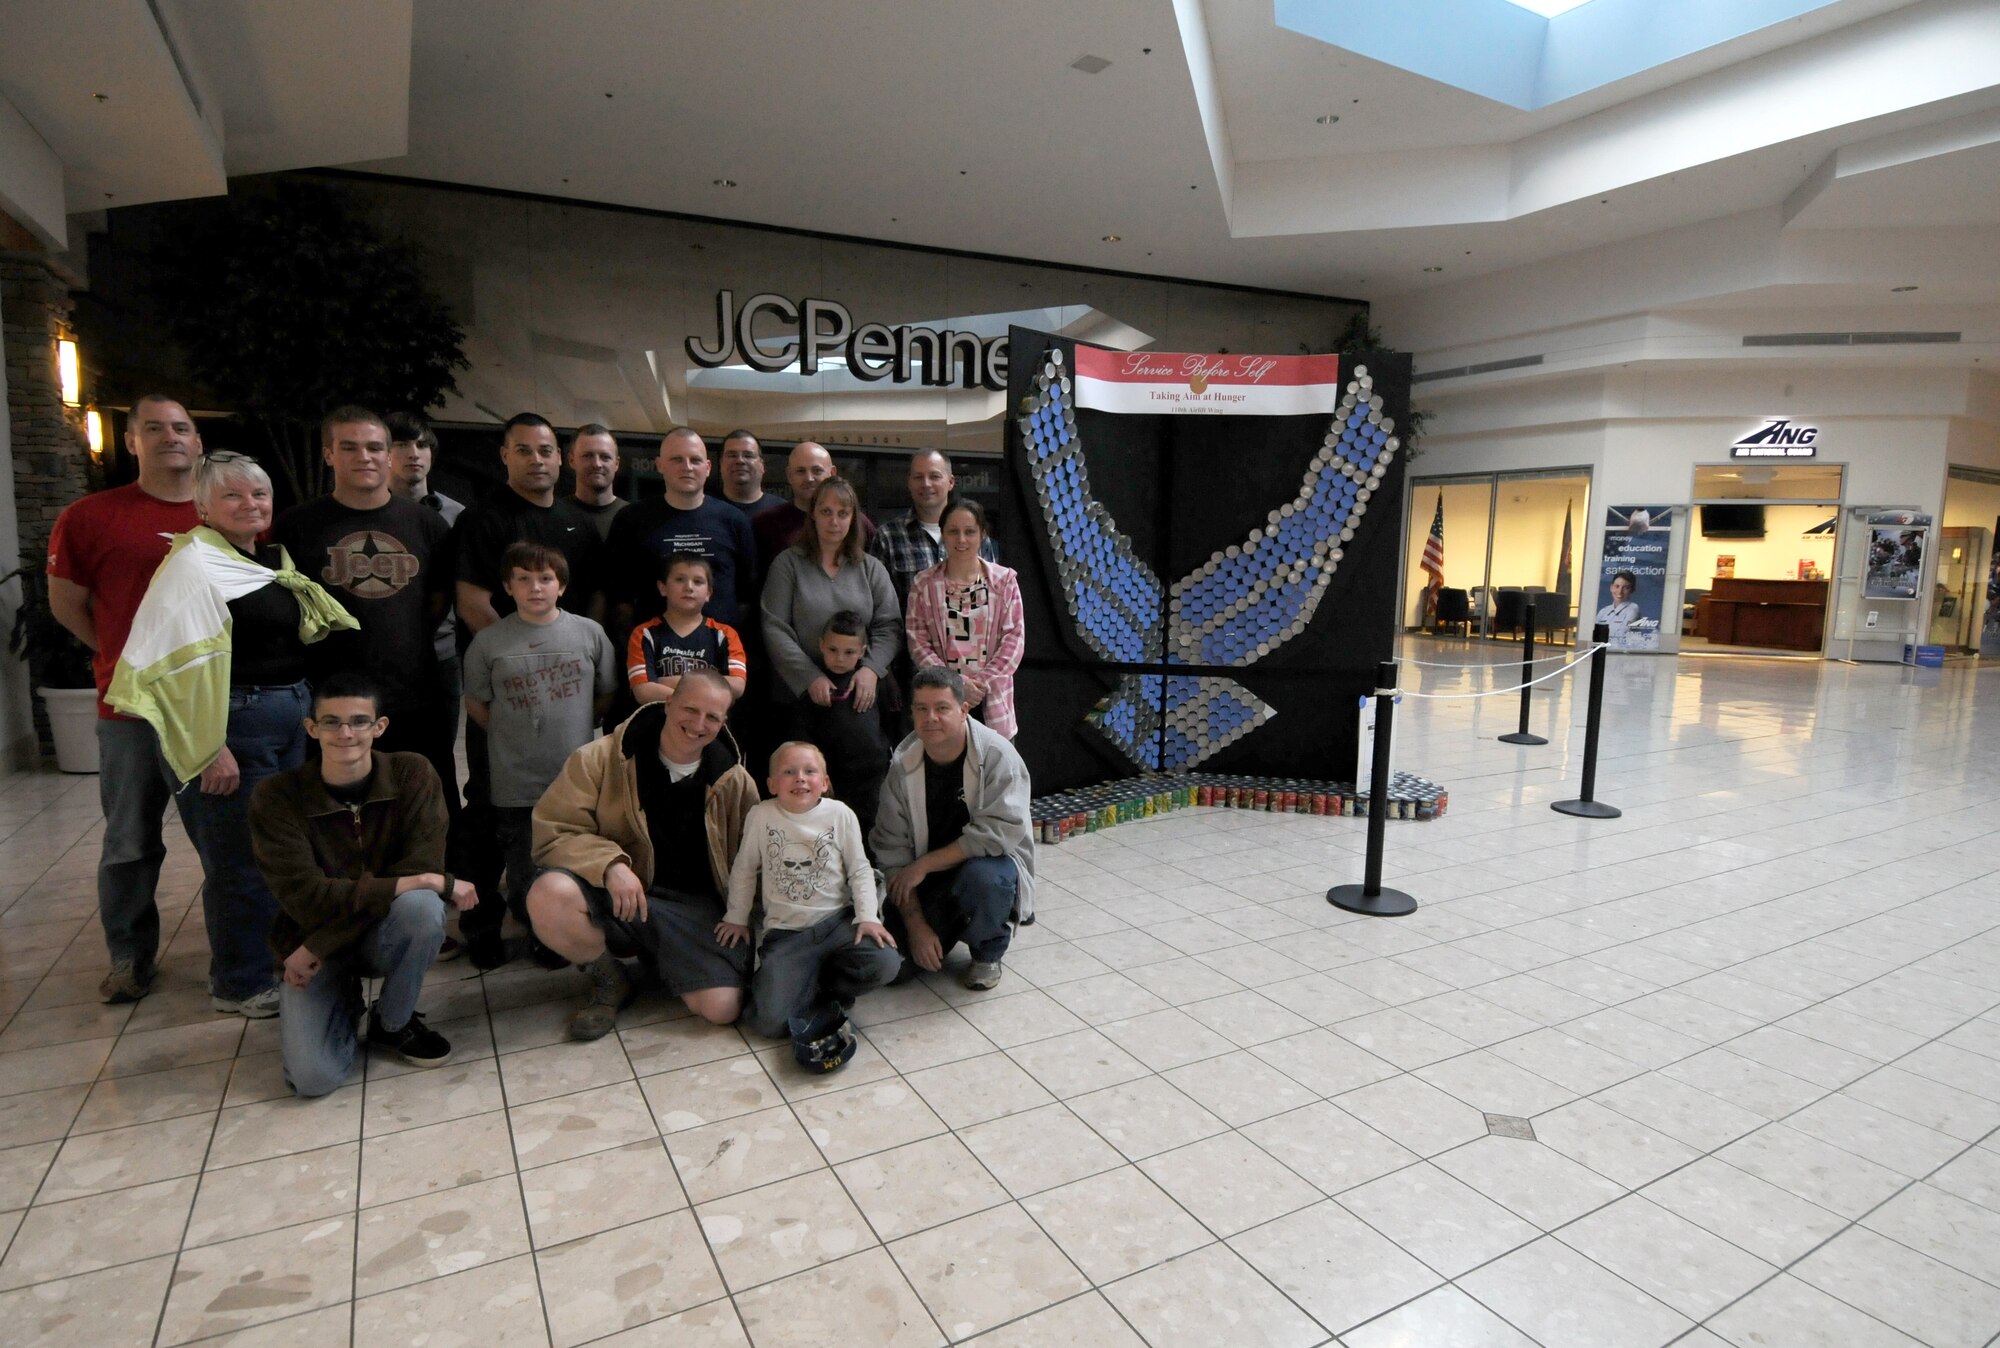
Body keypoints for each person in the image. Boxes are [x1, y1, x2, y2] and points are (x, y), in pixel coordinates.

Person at [107, 451, 358, 1017]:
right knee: (239, 861)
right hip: (231, 727)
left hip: (288, 716)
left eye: (260, 495)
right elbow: (167, 667)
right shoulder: (191, 566)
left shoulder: (270, 558)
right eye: (234, 496)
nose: (251, 505)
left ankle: (274, 955)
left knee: (284, 851)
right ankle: (240, 982)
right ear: (202, 506)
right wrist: (207, 747)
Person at [249, 671, 477, 1096]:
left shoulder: (413, 774)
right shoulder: (277, 797)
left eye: (358, 721)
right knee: (313, 1080)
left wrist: (319, 943)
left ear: (379, 727)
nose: (345, 733)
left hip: (350, 938)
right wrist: (318, 946)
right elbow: (308, 897)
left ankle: (393, 1022)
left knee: (423, 907)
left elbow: (418, 875)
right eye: (331, 722)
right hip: (310, 938)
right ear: (311, 728)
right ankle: (343, 999)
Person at [47, 394, 204, 1004]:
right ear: (131, 440)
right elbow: (67, 605)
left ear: (197, 443)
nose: (170, 437)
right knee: (131, 838)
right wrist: (128, 662)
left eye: (182, 428)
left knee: (223, 837)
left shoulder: (232, 509)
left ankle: (243, 950)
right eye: (154, 428)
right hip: (130, 709)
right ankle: (129, 957)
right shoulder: (90, 517)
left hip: (209, 706)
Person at [450, 412, 607, 960]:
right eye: (524, 450)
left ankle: (552, 922)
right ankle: (483, 927)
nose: (537, 460)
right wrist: (526, 665)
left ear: (559, 458)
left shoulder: (577, 524)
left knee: (565, 821)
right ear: (505, 455)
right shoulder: (482, 520)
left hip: (566, 708)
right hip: (507, 706)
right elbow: (472, 601)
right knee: (491, 818)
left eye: (546, 450)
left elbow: (592, 601)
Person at [526, 669, 757, 1041]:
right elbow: (553, 831)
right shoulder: (598, 759)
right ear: (668, 704)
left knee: (722, 1009)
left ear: (723, 721)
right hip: (617, 894)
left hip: (693, 906)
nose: (699, 724)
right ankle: (608, 980)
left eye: (712, 717)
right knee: (549, 893)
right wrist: (609, 865)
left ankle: (662, 959)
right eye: (690, 709)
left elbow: (753, 858)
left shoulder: (734, 780)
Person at [463, 542, 619, 953]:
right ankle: (538, 934)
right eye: (524, 579)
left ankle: (573, 932)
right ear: (507, 587)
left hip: (573, 777)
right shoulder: (488, 642)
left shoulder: (589, 633)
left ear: (562, 586)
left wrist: (581, 724)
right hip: (516, 780)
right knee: (523, 863)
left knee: (578, 855)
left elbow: (605, 694)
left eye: (545, 578)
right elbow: (477, 704)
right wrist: (508, 734)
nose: (536, 588)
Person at [274, 406, 452, 763]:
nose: (364, 457)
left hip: (413, 690)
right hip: (329, 694)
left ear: (388, 456)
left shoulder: (427, 524)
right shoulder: (296, 526)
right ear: (328, 454)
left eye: (373, 448)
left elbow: (439, 600)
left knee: (421, 798)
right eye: (350, 447)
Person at [718, 741, 900, 1041]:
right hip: (787, 935)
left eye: (810, 771)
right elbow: (745, 868)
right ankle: (795, 984)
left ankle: (826, 987)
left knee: (886, 963)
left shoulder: (840, 814)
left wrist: (868, 917)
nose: (800, 778)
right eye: (789, 772)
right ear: (772, 784)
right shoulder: (761, 816)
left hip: (838, 924)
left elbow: (859, 869)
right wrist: (736, 916)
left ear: (825, 783)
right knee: (768, 1024)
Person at [873, 666, 1035, 992]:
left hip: (986, 865)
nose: (930, 717)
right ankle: (944, 925)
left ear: (963, 710)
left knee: (983, 879)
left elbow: (996, 834)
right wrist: (916, 924)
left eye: (942, 708)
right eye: (922, 708)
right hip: (930, 878)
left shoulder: (997, 755)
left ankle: (987, 948)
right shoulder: (902, 768)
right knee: (895, 969)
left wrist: (924, 865)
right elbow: (891, 851)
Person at [385, 409, 468, 867]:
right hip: (375, 660)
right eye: (401, 445)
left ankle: (446, 861)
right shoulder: (366, 513)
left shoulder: (456, 516)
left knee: (437, 762)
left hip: (439, 658)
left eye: (421, 445)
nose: (412, 454)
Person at [762, 478, 900, 727]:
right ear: (812, 514)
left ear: (853, 518)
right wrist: (809, 677)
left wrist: (871, 669)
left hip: (858, 692)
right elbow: (774, 627)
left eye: (843, 513)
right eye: (826, 512)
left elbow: (889, 625)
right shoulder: (787, 564)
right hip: (799, 693)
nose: (834, 522)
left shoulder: (871, 568)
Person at [605, 426, 757, 635]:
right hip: (653, 654)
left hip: (720, 656)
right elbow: (620, 600)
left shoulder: (734, 520)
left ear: (708, 467)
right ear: (659, 465)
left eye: (695, 460)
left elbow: (746, 598)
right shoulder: (631, 520)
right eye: (677, 459)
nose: (687, 467)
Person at [904, 498, 1026, 738]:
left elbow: (1014, 640)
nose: (961, 539)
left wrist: (979, 684)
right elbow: (917, 641)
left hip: (991, 702)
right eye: (953, 531)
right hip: (943, 702)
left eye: (969, 532)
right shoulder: (923, 583)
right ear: (943, 534)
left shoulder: (1005, 582)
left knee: (993, 774)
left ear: (982, 534)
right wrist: (957, 685)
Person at [788, 611, 891, 842]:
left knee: (870, 831)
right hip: (832, 778)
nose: (840, 658)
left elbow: (891, 722)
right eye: (833, 650)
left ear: (862, 651)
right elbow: (801, 736)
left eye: (849, 652)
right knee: (831, 832)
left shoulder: (875, 683)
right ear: (821, 646)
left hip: (872, 776)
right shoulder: (813, 687)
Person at [870, 450, 999, 608]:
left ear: (951, 482)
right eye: (918, 477)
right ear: (909, 482)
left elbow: (992, 596)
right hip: (911, 631)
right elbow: (879, 608)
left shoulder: (975, 536)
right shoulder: (888, 537)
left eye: (934, 476)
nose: (926, 484)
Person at [626, 553, 748, 702]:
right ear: (663, 587)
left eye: (698, 581)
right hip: (658, 721)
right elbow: (644, 692)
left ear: (708, 593)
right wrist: (711, 688)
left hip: (709, 723)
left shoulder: (726, 634)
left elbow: (737, 686)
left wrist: (667, 682)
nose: (689, 587)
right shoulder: (644, 633)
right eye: (680, 580)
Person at [751, 441, 875, 580]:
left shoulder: (857, 522)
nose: (809, 478)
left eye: (817, 470)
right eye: (800, 471)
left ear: (832, 473)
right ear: (789, 475)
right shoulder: (765, 524)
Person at [568, 422, 628, 540]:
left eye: (605, 457)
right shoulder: (554, 517)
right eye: (588, 456)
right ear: (571, 460)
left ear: (616, 464)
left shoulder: (634, 517)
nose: (597, 464)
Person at [717, 428, 782, 521]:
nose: (740, 461)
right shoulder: (705, 511)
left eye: (748, 455)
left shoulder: (784, 513)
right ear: (721, 464)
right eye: (732, 455)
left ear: (762, 466)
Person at [1596, 569, 1642, 644]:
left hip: (1621, 653)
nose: (1620, 592)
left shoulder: (1633, 609)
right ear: (1611, 587)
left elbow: (1623, 636)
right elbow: (1595, 636)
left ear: (1632, 590)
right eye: (1617, 586)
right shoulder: (1603, 611)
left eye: (1625, 588)